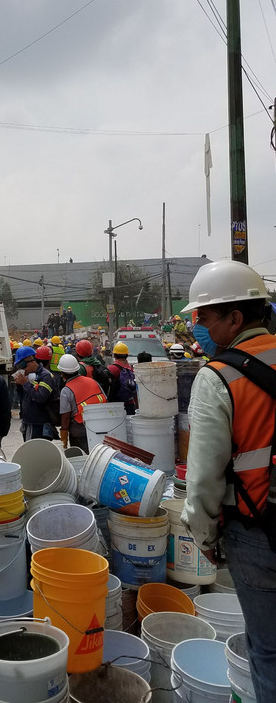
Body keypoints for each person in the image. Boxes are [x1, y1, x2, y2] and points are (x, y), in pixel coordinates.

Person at [178, 260, 276, 703]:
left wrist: (205, 536)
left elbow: (202, 479)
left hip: (258, 532)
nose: (198, 326)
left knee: (270, 651)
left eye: (204, 316)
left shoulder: (218, 377)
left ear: (236, 318)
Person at [58, 354, 107, 450]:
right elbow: (105, 399)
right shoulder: (92, 381)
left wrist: (64, 435)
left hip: (79, 431)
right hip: (100, 427)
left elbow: (65, 417)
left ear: (62, 373)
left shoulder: (66, 390)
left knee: (83, 459)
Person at [13, 345, 57, 441]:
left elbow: (41, 397)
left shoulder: (45, 376)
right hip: (31, 422)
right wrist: (19, 385)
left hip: (38, 423)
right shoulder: (30, 376)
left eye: (22, 366)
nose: (22, 369)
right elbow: (23, 398)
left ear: (32, 361)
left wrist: (25, 384)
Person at [107, 342, 137, 414]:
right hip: (130, 403)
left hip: (116, 405)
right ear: (127, 355)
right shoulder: (131, 369)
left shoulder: (112, 368)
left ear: (114, 355)